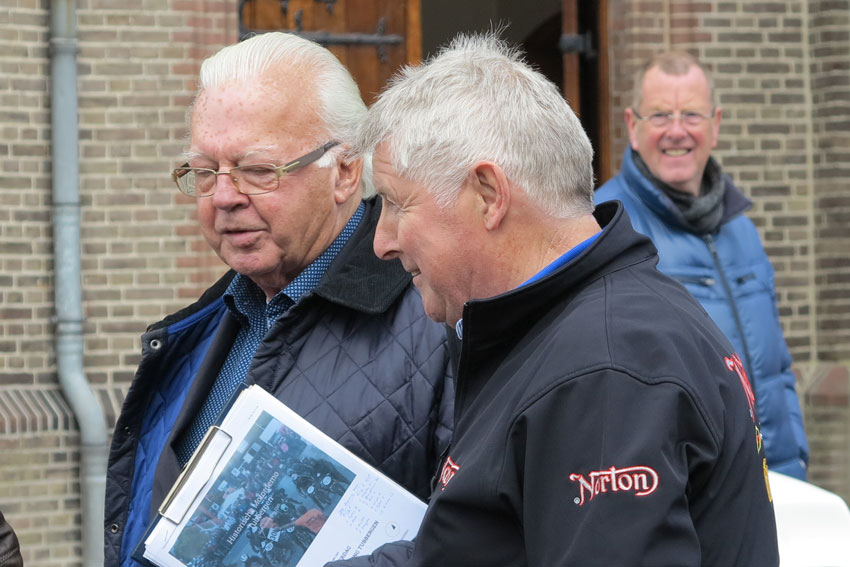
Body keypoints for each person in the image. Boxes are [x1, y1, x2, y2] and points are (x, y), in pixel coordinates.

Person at [331, 33, 779, 566]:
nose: (381, 241)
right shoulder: (564, 331)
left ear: (489, 195)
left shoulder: (604, 370)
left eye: (398, 205)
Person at [104, 32, 454, 567]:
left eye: (258, 170)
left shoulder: (438, 318)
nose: (223, 196)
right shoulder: (197, 330)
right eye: (204, 172)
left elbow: (479, 538)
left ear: (344, 171)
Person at [595, 50, 809, 480]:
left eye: (691, 114)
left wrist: (794, 460)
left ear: (716, 124)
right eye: (660, 116)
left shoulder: (742, 231)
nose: (677, 131)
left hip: (777, 482)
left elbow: (776, 367)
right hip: (687, 489)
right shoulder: (606, 226)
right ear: (632, 128)